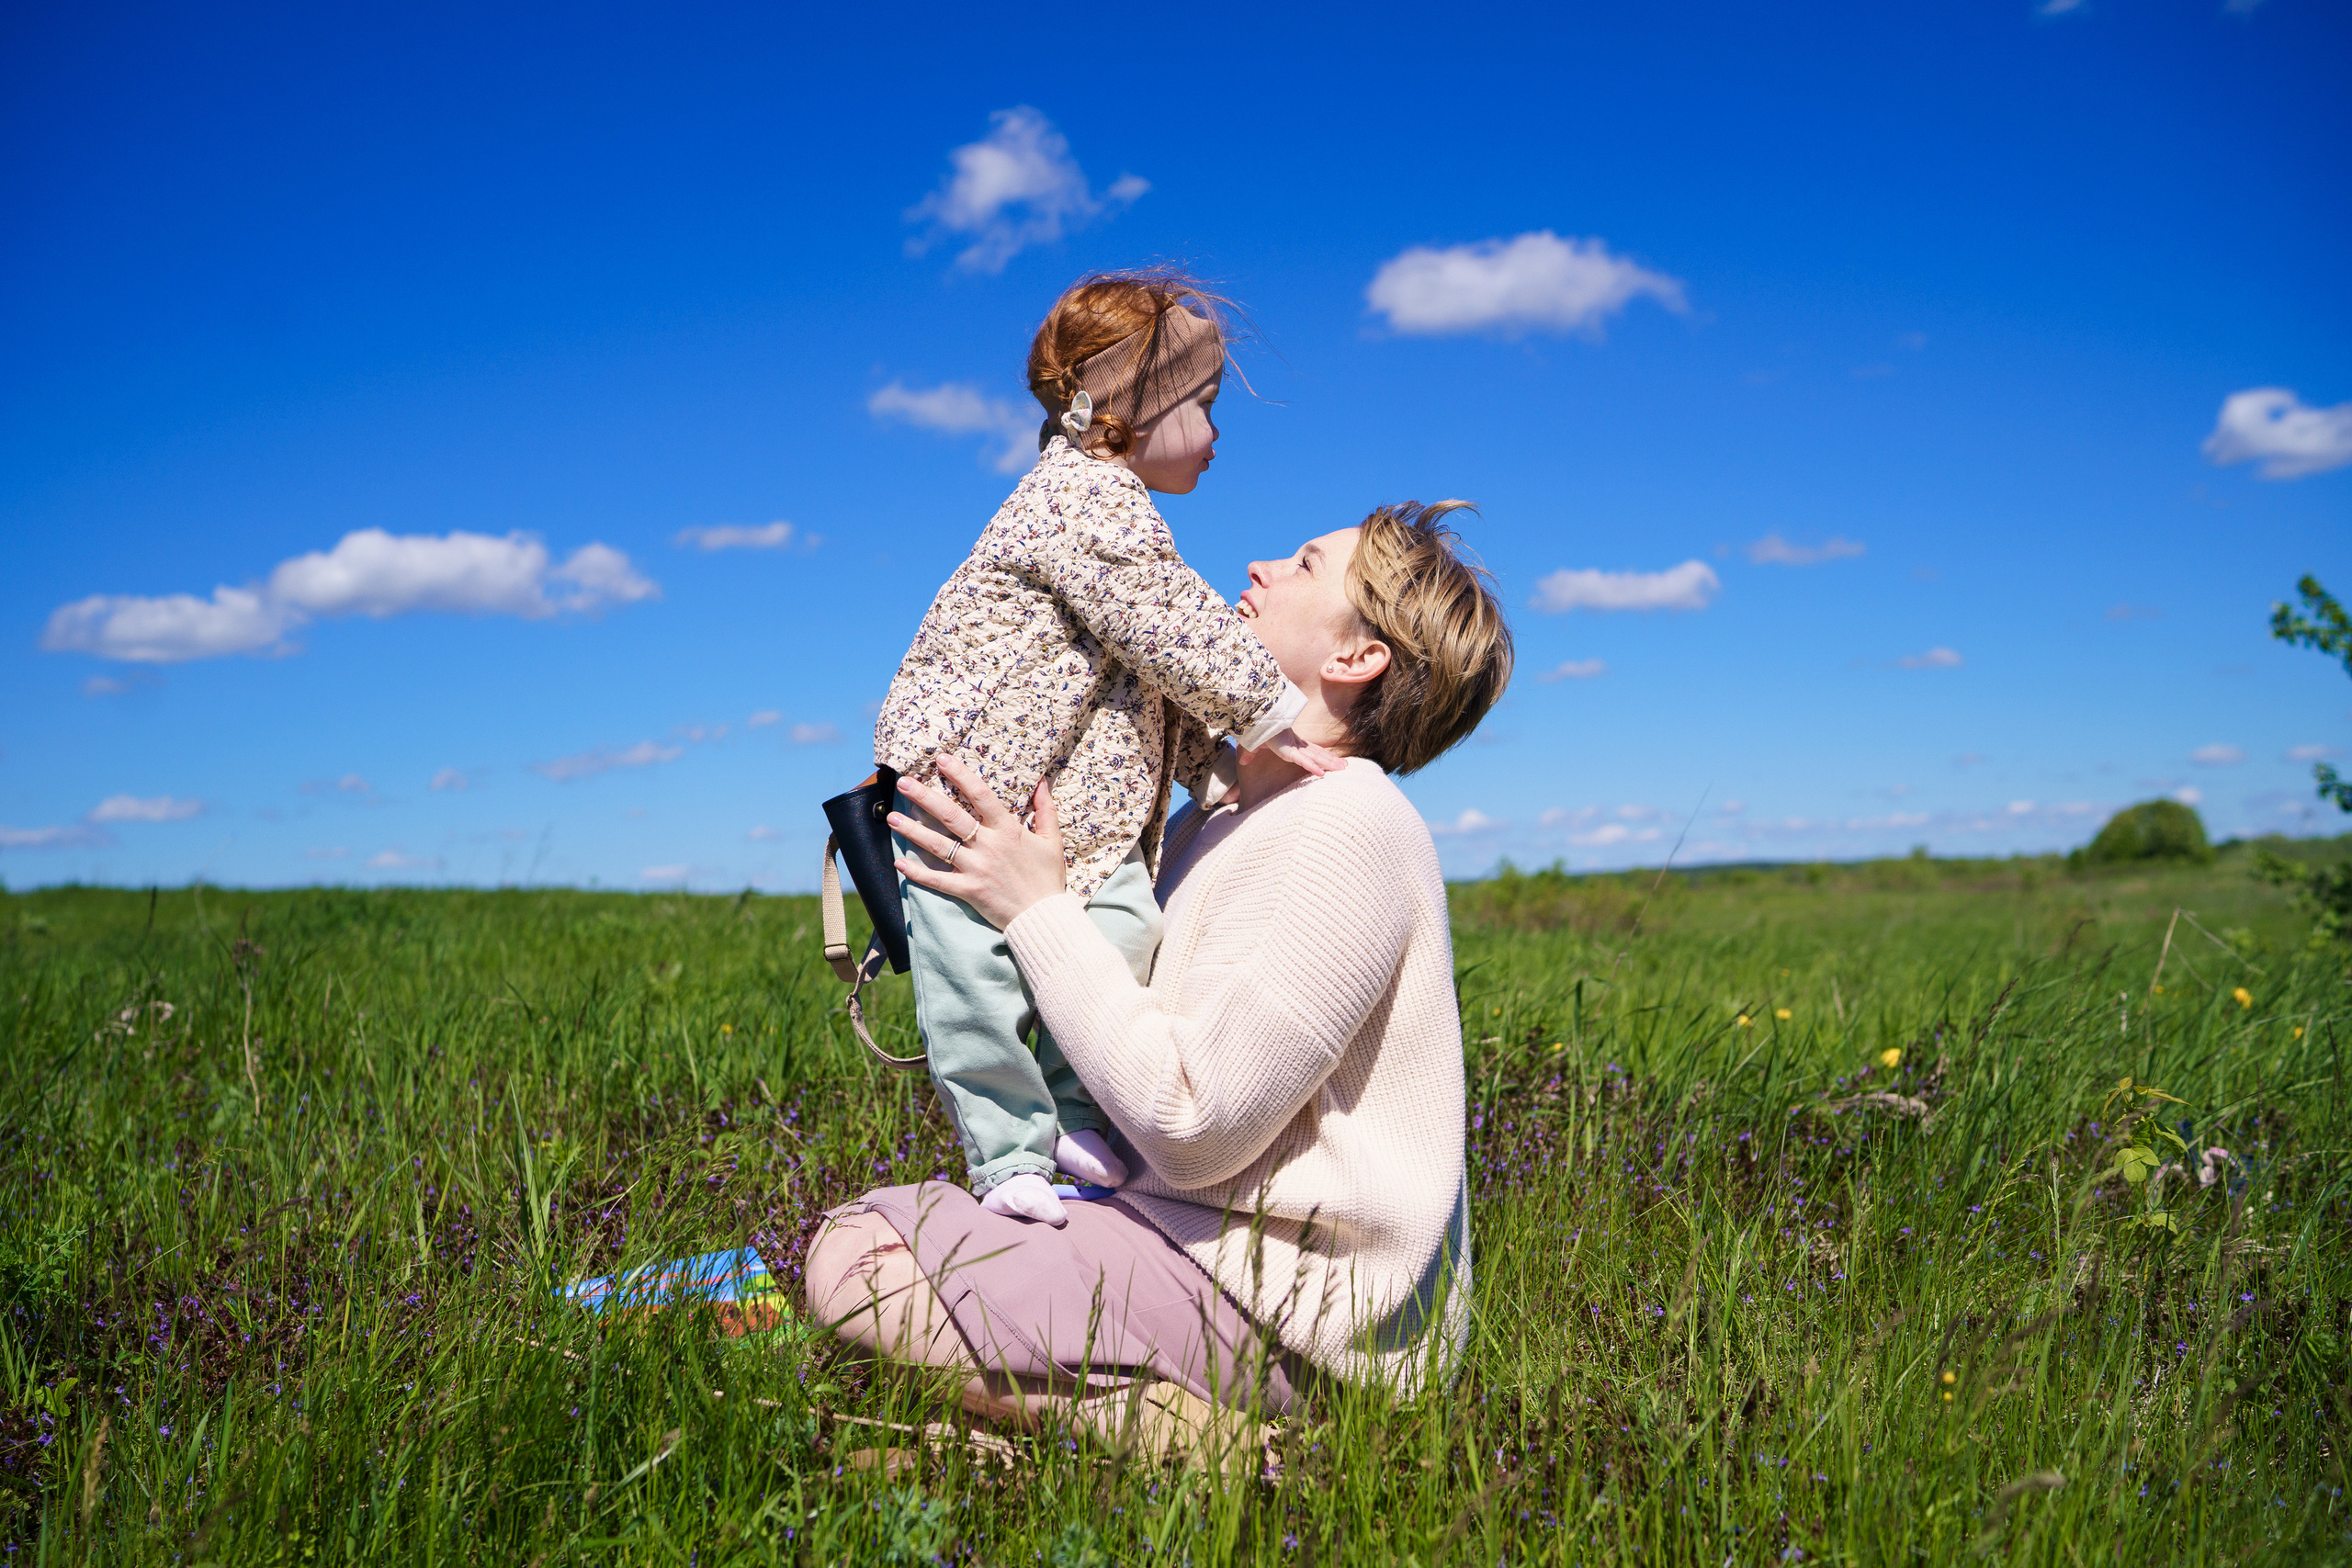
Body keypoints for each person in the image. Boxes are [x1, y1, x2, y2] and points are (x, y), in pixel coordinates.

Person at [805, 502, 1514, 1451]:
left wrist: (1036, 910)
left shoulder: (1353, 829)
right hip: (1173, 1237)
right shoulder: (1203, 823)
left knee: (861, 1259)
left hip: (1288, 1307)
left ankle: (1209, 1449)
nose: (1260, 565)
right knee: (853, 1264)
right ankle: (1063, 1426)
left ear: (1355, 659)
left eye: (1305, 563)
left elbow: (1194, 1128)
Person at [870, 269, 1341, 1229]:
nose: (1216, 433)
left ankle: (1074, 1114)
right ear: (1130, 408)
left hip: (1079, 815)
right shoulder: (1081, 501)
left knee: (1128, 938)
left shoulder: (1125, 521)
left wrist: (1214, 768)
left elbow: (1153, 689)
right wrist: (1268, 713)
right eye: (1202, 405)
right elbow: (1170, 625)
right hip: (968, 801)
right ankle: (1006, 1151)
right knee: (973, 988)